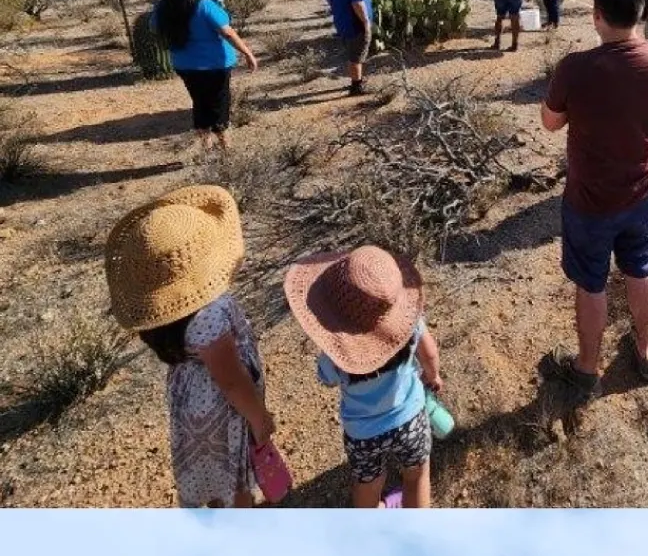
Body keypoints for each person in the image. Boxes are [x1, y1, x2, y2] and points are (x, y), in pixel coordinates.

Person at [539, 0, 648, 397]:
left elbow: (550, 122)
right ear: (640, 13)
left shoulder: (576, 68)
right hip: (644, 194)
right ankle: (645, 351)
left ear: (597, 15)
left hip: (591, 200)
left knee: (592, 283)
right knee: (640, 270)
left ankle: (586, 370)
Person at [104, 185, 278, 508]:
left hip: (192, 405)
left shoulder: (169, 322)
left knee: (210, 470)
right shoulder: (208, 316)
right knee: (235, 477)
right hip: (225, 409)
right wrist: (258, 418)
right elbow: (231, 381)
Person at [284, 244, 443, 509]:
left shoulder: (337, 355)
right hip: (410, 418)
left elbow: (327, 378)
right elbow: (430, 353)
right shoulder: (411, 323)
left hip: (363, 434)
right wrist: (433, 376)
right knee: (416, 475)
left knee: (368, 482)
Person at [151, 0, 258, 152]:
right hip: (215, 64)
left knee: (199, 101)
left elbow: (154, 28)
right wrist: (247, 53)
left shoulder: (163, 10)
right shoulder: (205, 6)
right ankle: (225, 145)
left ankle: (205, 144)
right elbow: (227, 32)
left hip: (185, 65)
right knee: (220, 101)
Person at [323, 0, 374, 96]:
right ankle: (356, 86)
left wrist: (339, 11)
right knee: (357, 55)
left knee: (352, 52)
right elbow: (357, 1)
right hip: (355, 22)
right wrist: (365, 22)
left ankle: (356, 81)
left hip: (342, 21)